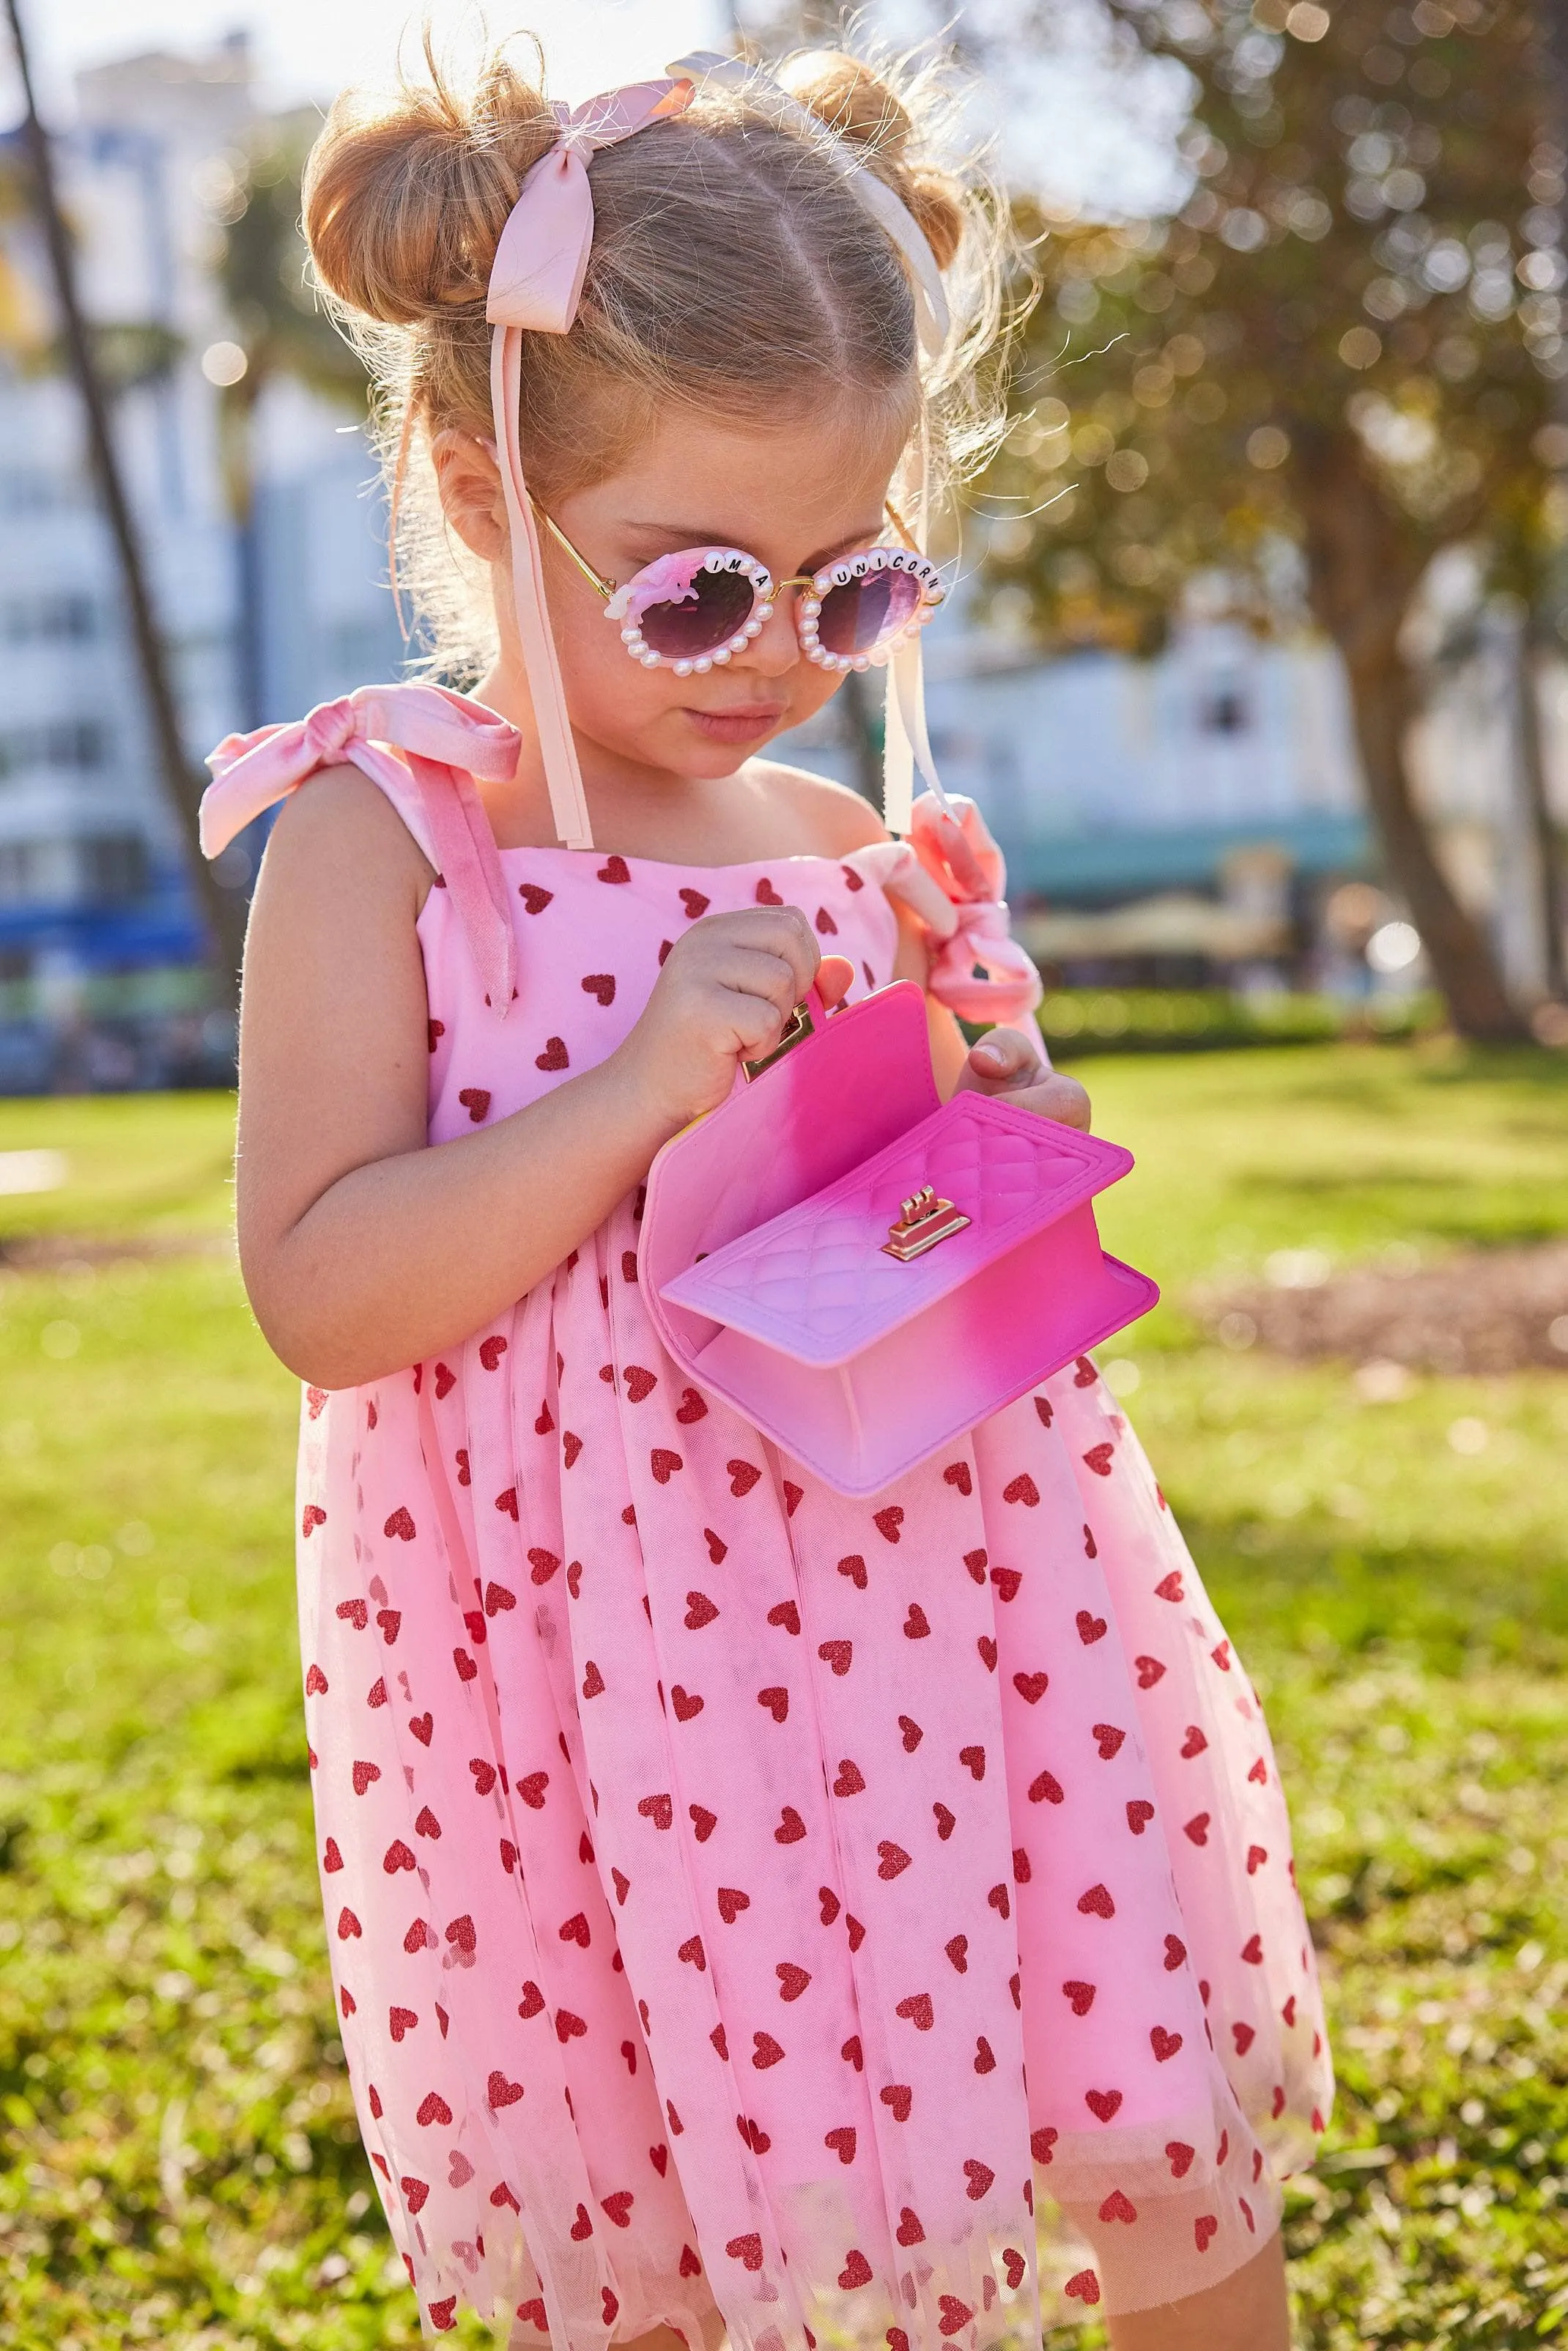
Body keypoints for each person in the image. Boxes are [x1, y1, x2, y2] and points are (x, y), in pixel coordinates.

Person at [207, 37, 1331, 2351]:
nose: (780, 666)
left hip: (960, 1623)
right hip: (593, 1699)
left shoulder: (840, 854)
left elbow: (916, 1259)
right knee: (684, 2190)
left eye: (855, 592)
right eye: (702, 589)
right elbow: (322, 1292)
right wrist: (626, 1093)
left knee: (1124, 2070)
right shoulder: (383, 843)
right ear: (470, 474)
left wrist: (992, 1108)